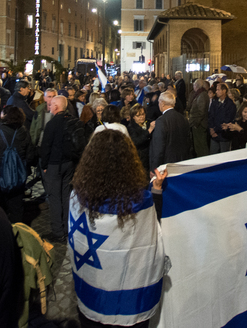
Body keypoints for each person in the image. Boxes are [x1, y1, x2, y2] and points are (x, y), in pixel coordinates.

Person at [69, 130, 166, 327]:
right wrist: (156, 189)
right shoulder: (140, 203)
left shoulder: (77, 197)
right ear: (129, 162)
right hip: (129, 295)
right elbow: (153, 227)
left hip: (92, 290)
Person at [40, 96, 78, 242]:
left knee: (54, 198)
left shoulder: (52, 124)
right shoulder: (71, 121)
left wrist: (44, 166)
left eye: (51, 105)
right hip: (69, 163)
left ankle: (57, 232)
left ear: (56, 106)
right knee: (66, 196)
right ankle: (68, 228)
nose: (49, 107)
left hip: (54, 165)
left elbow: (46, 146)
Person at [0, 106, 35, 223]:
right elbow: (30, 155)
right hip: (18, 177)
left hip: (1, 177)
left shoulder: (0, 131)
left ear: (5, 115)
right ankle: (18, 234)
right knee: (17, 209)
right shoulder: (23, 131)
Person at [208, 83, 237, 154]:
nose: (216, 92)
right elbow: (210, 116)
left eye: (218, 90)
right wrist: (211, 129)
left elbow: (227, 120)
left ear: (224, 91)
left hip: (224, 135)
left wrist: (215, 130)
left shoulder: (230, 105)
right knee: (213, 154)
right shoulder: (214, 102)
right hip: (214, 134)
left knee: (224, 155)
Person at [127, 104, 155, 172]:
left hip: (151, 157)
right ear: (133, 117)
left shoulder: (149, 123)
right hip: (140, 158)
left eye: (143, 114)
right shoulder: (131, 127)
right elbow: (136, 141)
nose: (141, 117)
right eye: (138, 115)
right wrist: (148, 131)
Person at [188, 80, 210, 157]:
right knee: (198, 144)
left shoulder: (202, 95)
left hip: (199, 125)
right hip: (197, 123)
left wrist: (196, 123)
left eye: (194, 85)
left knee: (200, 145)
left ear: (196, 86)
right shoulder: (200, 94)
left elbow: (201, 112)